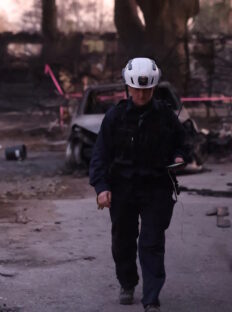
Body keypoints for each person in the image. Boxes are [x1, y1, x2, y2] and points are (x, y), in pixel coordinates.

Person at [89, 57, 188, 312]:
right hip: (122, 188)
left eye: (146, 90)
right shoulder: (115, 117)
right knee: (123, 239)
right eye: (136, 89)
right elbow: (100, 155)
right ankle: (127, 282)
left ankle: (151, 298)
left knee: (152, 241)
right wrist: (101, 187)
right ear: (128, 88)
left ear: (153, 89)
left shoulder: (166, 116)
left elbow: (183, 144)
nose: (141, 94)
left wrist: (180, 157)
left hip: (157, 187)